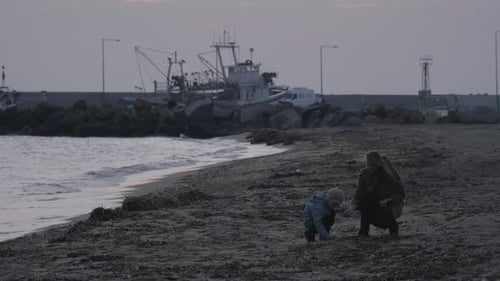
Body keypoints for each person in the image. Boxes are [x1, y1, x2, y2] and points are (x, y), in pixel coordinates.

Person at [352, 151, 405, 236]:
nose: (371, 168)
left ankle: (393, 227)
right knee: (364, 200)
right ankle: (363, 231)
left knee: (374, 206)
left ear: (378, 164)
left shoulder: (388, 175)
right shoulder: (364, 174)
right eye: (369, 165)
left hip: (392, 206)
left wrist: (389, 199)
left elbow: (401, 194)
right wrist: (353, 206)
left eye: (373, 165)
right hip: (376, 204)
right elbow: (359, 192)